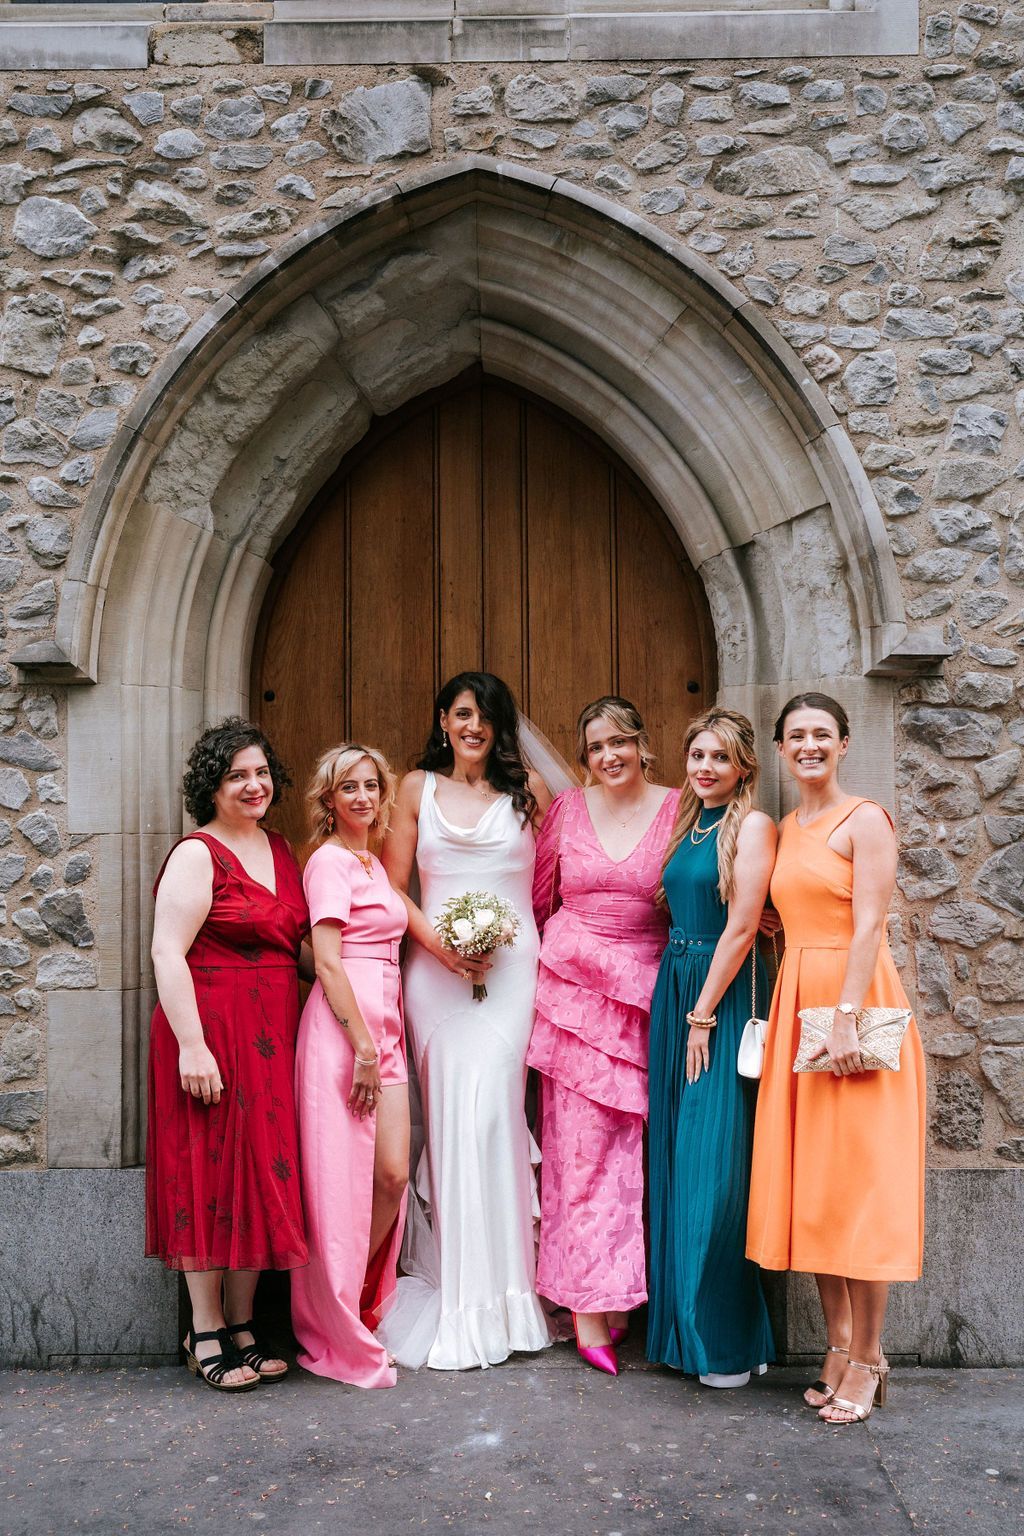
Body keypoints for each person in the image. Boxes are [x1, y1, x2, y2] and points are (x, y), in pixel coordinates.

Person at [746, 693, 926, 1424]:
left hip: (853, 1006)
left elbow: (870, 922)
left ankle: (871, 1356)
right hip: (798, 1003)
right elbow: (794, 912)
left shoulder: (867, 819)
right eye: (797, 736)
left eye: (823, 734)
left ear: (844, 744)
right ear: (783, 749)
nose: (810, 745)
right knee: (818, 1186)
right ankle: (839, 1345)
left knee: (860, 1187)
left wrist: (846, 1018)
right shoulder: (787, 828)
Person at [377, 672, 555, 1371]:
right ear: (442, 720)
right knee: (454, 1123)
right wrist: (442, 949)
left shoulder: (531, 795)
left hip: (513, 976)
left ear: (500, 725)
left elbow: (550, 886)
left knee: (495, 1120)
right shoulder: (416, 790)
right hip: (436, 978)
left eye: (485, 716)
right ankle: (461, 1297)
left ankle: (511, 1297)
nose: (472, 726)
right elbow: (392, 889)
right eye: (460, 713)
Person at [146, 718, 308, 1393]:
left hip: (271, 1037)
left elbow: (298, 948)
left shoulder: (281, 849)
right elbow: (165, 952)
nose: (253, 784)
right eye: (237, 774)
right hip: (208, 1034)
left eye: (261, 772)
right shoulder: (197, 853)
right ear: (211, 785)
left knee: (260, 1175)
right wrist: (192, 1045)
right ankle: (204, 1327)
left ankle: (242, 1323)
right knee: (207, 1179)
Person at [528, 697, 680, 1376]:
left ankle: (627, 1298)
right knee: (583, 1156)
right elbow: (537, 900)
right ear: (584, 757)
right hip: (574, 997)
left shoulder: (681, 808)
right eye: (595, 748)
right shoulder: (565, 813)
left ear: (642, 744)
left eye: (619, 741)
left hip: (653, 993)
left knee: (643, 1160)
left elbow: (709, 884)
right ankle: (588, 1308)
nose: (608, 756)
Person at [645, 708, 776, 1388]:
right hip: (676, 987)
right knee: (673, 1158)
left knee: (713, 1165)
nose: (705, 767)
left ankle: (724, 1339)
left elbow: (746, 923)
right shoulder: (685, 822)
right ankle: (681, 1335)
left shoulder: (750, 826)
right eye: (697, 755)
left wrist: (703, 1014)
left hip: (715, 1000)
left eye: (719, 758)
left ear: (743, 767)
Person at [290, 743, 410, 1390]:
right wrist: (363, 1046)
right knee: (340, 1186)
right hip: (346, 1034)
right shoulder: (330, 863)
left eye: (371, 785)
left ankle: (352, 1303)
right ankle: (333, 1323)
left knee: (391, 1173)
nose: (362, 797)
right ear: (328, 800)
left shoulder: (371, 862)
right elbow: (328, 961)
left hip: (385, 1021)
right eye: (349, 788)